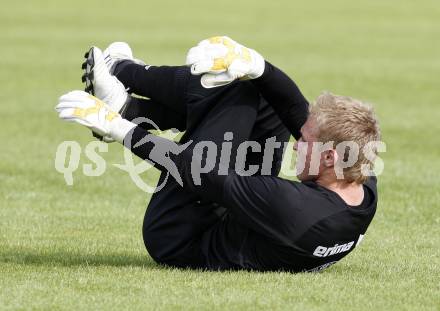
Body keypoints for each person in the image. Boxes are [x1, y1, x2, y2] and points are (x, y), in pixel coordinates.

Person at [56, 37, 381, 272]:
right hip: (240, 217)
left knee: (236, 88)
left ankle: (124, 79)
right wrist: (258, 65)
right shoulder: (360, 181)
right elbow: (294, 110)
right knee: (260, 90)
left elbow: (201, 171)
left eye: (307, 143)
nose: (297, 145)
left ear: (328, 159)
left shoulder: (295, 207)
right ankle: (130, 104)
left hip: (180, 235)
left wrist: (120, 129)